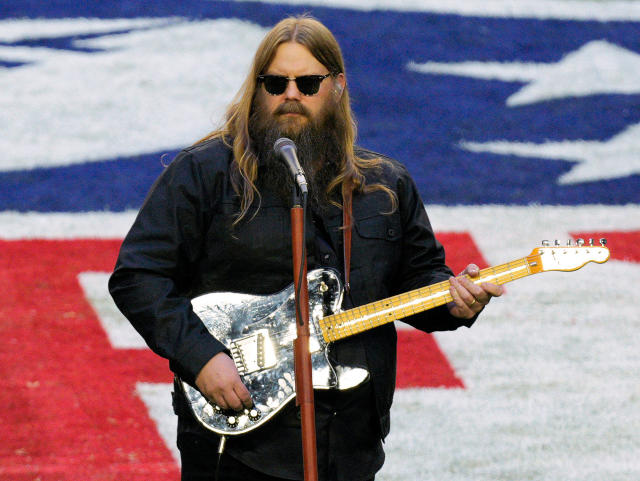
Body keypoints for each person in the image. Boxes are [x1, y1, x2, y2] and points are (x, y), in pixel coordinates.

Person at [109, 15, 502, 481]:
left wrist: (456, 302)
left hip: (349, 441)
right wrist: (201, 357)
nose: (290, 94)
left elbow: (420, 279)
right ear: (257, 89)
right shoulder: (205, 175)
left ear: (336, 86)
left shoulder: (385, 186)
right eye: (276, 82)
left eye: (308, 82)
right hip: (236, 444)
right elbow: (138, 276)